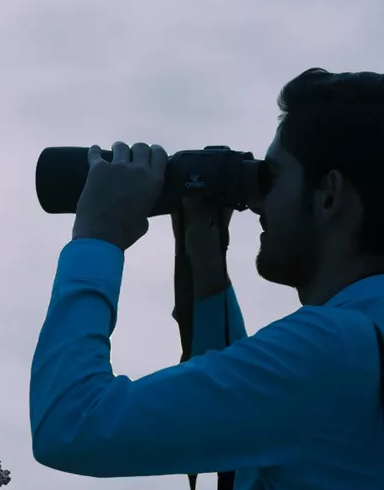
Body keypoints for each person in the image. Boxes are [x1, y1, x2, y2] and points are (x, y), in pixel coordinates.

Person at [29, 68, 384, 488]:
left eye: (271, 177)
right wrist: (207, 270)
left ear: (329, 194)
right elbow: (249, 423)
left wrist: (97, 239)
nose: (255, 202)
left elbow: (71, 426)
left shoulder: (332, 348)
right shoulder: (361, 339)